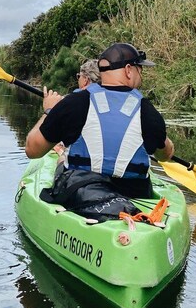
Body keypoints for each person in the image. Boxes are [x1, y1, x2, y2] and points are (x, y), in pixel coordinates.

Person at [25, 42, 174, 200]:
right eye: (140, 69)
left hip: (79, 196)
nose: (141, 74)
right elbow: (165, 155)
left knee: (61, 160)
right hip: (134, 199)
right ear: (129, 70)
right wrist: (162, 138)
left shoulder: (74, 103)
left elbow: (32, 150)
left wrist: (49, 111)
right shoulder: (147, 110)